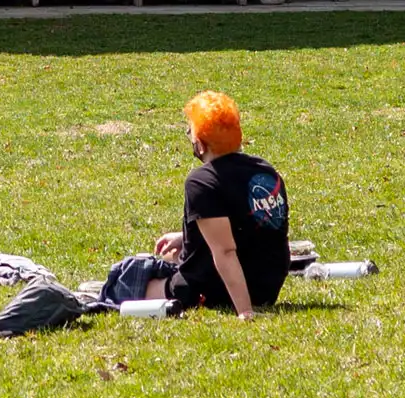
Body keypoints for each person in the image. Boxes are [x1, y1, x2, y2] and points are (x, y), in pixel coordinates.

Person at [110, 90, 291, 318]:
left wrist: (245, 311)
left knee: (125, 281)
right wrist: (184, 236)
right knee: (169, 257)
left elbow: (225, 251)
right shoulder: (265, 170)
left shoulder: (202, 181)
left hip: (216, 289)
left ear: (201, 145)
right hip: (267, 285)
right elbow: (249, 228)